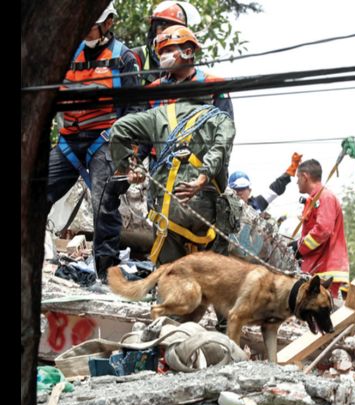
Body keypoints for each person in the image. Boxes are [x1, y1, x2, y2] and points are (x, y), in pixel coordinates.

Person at [46, 2, 140, 283]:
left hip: (104, 139)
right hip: (69, 141)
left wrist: (128, 154)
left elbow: (135, 109)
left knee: (104, 203)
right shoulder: (65, 54)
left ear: (107, 23)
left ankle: (106, 275)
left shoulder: (123, 58)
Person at [109, 99, 235, 265]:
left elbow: (119, 128)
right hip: (207, 208)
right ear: (209, 95)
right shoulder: (221, 119)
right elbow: (219, 150)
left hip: (169, 207)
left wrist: (130, 167)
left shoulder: (159, 114)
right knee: (208, 272)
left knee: (170, 272)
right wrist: (201, 179)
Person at [147, 25, 233, 118]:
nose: (163, 57)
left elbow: (225, 122)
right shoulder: (152, 90)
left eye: (168, 51)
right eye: (161, 53)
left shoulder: (215, 85)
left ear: (188, 53)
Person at [294, 159, 350, 298]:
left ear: (305, 177)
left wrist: (300, 248)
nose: (296, 182)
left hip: (326, 269)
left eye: (298, 177)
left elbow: (323, 230)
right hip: (318, 268)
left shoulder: (325, 197)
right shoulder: (315, 199)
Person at [130, 1, 201, 86]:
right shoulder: (136, 55)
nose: (168, 33)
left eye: (174, 29)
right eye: (163, 28)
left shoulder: (189, 65)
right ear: (154, 30)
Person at [227, 153, 303, 213]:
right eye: (235, 189)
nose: (239, 192)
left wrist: (291, 170)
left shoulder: (256, 204)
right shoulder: (224, 207)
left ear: (249, 191)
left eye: (242, 189)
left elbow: (274, 190)